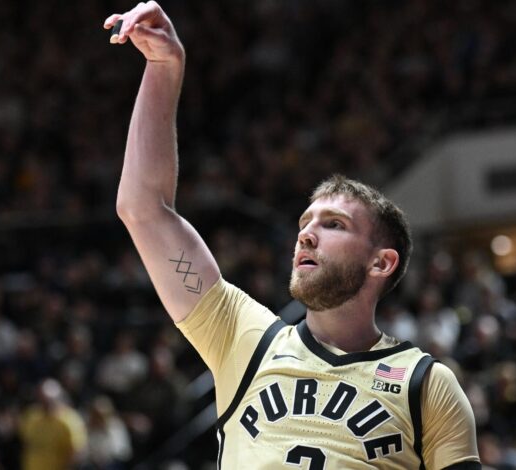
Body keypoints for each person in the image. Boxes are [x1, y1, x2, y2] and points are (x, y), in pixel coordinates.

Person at [107, 2, 480, 468]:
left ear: (381, 262)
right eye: (304, 224)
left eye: (333, 224)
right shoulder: (243, 338)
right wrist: (164, 68)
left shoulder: (426, 384)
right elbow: (143, 209)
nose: (306, 236)